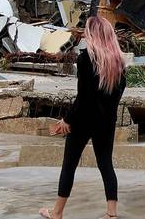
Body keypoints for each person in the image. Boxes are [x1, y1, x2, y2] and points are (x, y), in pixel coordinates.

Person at [40, 16, 127, 219]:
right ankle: (111, 213)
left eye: (88, 31)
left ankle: (57, 213)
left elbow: (84, 97)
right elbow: (114, 98)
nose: (85, 35)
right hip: (107, 121)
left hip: (84, 120)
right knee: (106, 164)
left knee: (69, 164)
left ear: (93, 35)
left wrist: (67, 120)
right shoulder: (119, 63)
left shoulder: (86, 58)